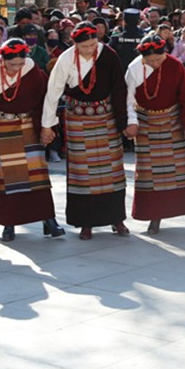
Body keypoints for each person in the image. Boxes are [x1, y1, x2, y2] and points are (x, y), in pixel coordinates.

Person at [0, 38, 64, 242]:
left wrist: (47, 126)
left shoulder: (31, 69)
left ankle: (48, 219)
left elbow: (45, 99)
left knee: (36, 174)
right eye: (11, 64)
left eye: (20, 63)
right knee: (6, 174)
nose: (16, 68)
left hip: (26, 123)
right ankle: (9, 223)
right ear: (2, 59)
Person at [41, 22, 127, 239]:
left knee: (112, 171)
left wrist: (124, 121)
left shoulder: (108, 55)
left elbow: (120, 89)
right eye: (84, 46)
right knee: (82, 172)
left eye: (92, 44)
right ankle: (85, 223)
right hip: (77, 118)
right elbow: (53, 92)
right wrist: (47, 124)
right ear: (75, 44)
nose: (89, 49)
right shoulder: (66, 59)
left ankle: (117, 219)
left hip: (106, 117)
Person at [124, 34, 185, 234]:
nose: (155, 63)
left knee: (181, 172)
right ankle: (154, 217)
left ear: (165, 53)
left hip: (172, 122)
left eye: (158, 59)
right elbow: (128, 99)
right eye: (150, 61)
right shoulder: (134, 69)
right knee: (150, 174)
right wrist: (131, 122)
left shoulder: (175, 66)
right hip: (145, 124)